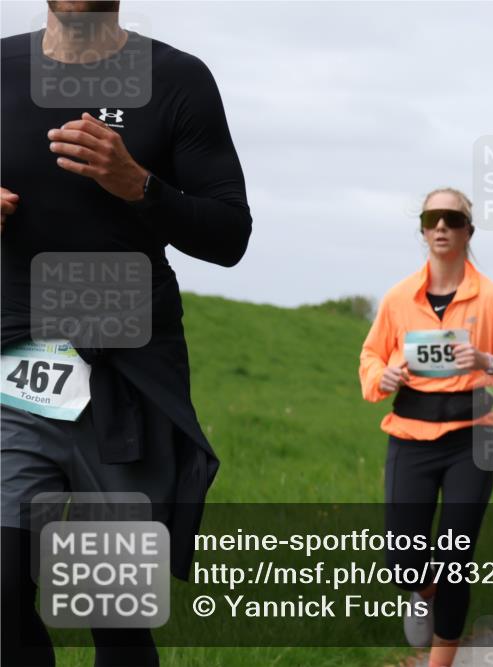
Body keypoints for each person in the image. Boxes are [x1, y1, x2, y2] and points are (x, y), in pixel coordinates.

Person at [2, 3, 251, 665]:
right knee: (1, 590)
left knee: (109, 609)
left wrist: (139, 184)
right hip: (16, 369)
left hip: (126, 378)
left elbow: (230, 235)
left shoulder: (176, 79)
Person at [359, 188, 493, 667]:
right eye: (432, 218)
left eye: (452, 220)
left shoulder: (491, 297)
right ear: (422, 229)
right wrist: (384, 376)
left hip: (470, 437)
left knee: (456, 559)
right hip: (409, 435)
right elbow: (371, 356)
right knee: (402, 563)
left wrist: (488, 360)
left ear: (467, 232)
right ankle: (420, 586)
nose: (442, 227)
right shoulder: (399, 298)